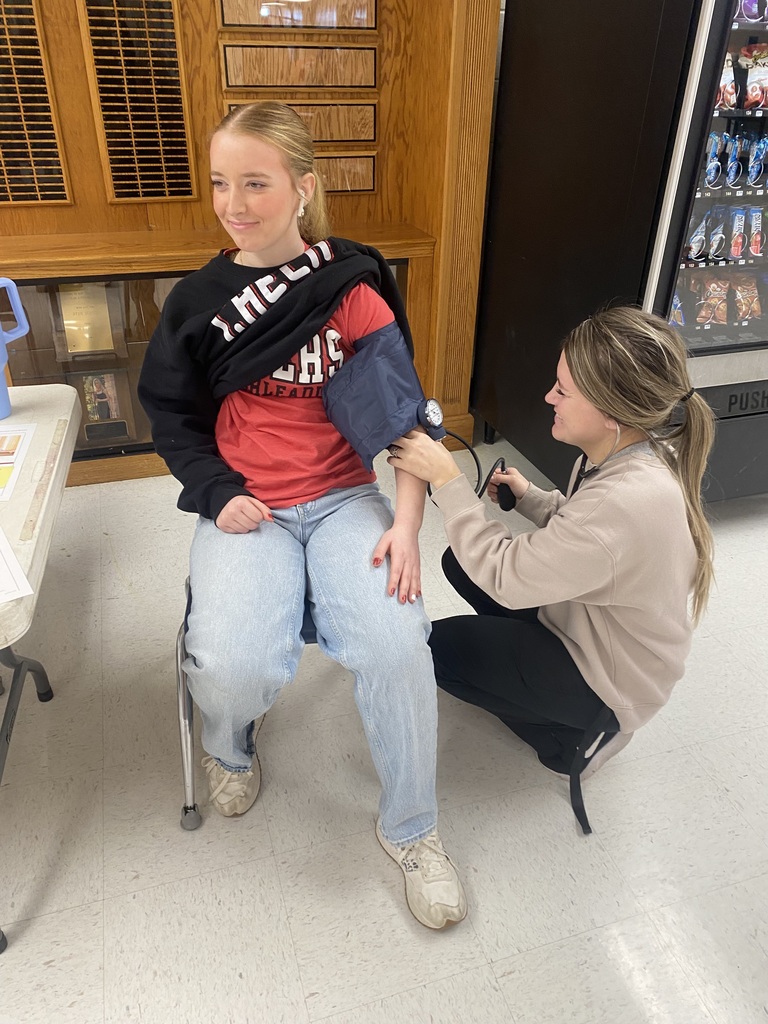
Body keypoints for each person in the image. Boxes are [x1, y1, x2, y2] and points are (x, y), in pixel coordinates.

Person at [137, 101, 466, 930]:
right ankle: (229, 745)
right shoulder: (199, 302)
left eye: (256, 183)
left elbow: (406, 420)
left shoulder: (347, 287)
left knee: (397, 645)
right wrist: (216, 491)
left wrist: (406, 523)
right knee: (233, 667)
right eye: (221, 183)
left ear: (304, 188)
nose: (233, 204)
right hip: (249, 505)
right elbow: (171, 415)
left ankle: (413, 830)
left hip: (346, 497)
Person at [387, 307, 715, 778]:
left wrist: (446, 479)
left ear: (609, 410)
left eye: (562, 390)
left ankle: (574, 740)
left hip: (609, 681)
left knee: (437, 651)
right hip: (590, 623)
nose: (548, 397)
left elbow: (508, 576)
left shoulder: (626, 499)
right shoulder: (626, 451)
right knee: (459, 559)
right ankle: (534, 673)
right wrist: (531, 499)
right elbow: (589, 533)